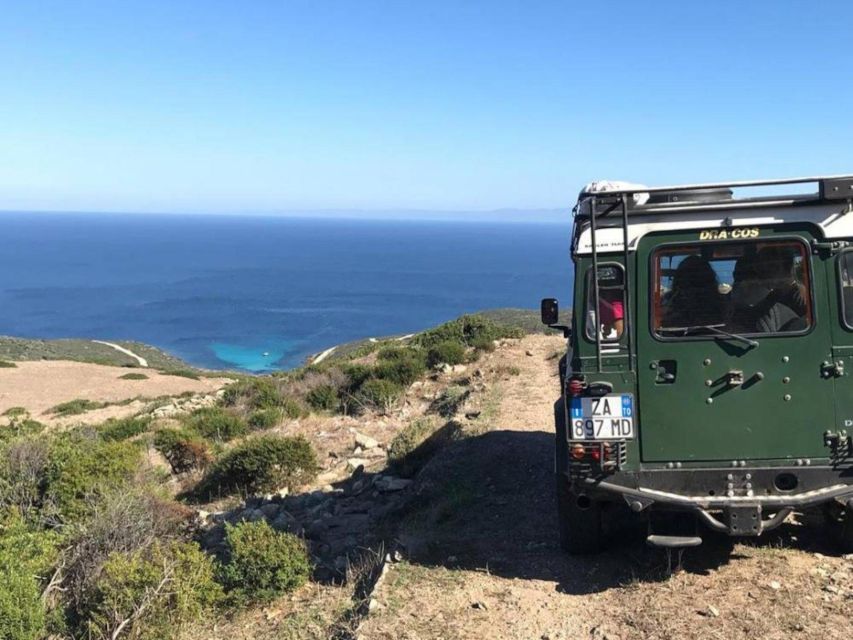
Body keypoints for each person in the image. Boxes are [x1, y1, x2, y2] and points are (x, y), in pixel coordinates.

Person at [661, 255, 726, 328]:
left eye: (698, 282)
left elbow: (726, 328)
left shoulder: (720, 304)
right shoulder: (669, 301)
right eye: (688, 280)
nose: (693, 289)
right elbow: (662, 326)